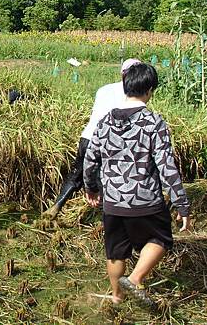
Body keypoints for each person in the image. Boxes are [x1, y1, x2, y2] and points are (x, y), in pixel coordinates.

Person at [83, 62, 190, 308]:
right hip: (145, 201)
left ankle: (117, 296)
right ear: (150, 90)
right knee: (161, 239)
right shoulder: (154, 122)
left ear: (125, 86)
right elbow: (166, 166)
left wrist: (92, 188)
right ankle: (134, 278)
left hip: (112, 202)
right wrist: (181, 203)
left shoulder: (105, 121)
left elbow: (91, 159)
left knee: (116, 251)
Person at [43, 58, 142, 219]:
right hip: (106, 141)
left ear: (121, 73)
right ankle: (109, 218)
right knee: (108, 177)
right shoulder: (131, 95)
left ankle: (56, 206)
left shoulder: (104, 89)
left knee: (77, 173)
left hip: (87, 136)